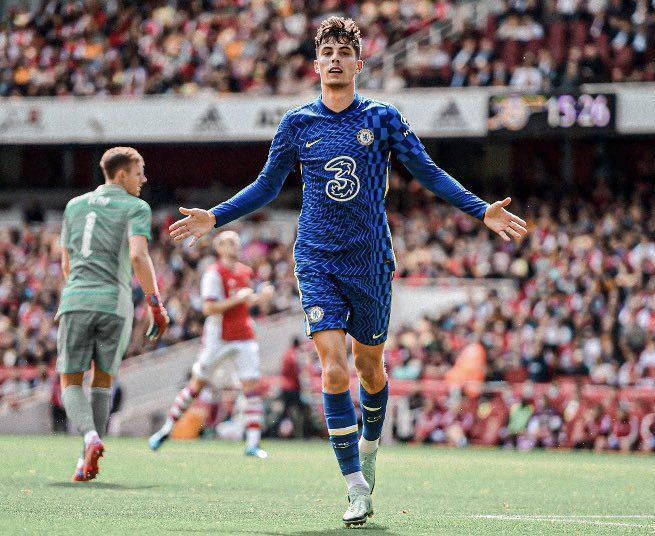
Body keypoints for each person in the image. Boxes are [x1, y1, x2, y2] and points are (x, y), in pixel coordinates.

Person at [167, 17, 527, 527]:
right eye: (327, 52)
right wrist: (216, 215)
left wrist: (480, 209)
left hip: (372, 260)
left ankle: (371, 444)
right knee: (333, 369)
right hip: (315, 258)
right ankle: (355, 486)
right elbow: (267, 187)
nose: (335, 59)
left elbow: (426, 172)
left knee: (370, 369)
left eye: (344, 52)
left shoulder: (382, 118)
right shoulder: (297, 124)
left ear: (359, 63)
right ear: (315, 65)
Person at [57, 146, 169, 482]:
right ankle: (87, 456)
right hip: (115, 304)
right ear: (121, 175)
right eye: (139, 172)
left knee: (71, 381)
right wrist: (155, 304)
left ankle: (89, 440)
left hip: (76, 298)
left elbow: (66, 264)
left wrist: (79, 293)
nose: (144, 179)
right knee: (103, 380)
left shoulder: (73, 206)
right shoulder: (136, 207)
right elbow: (138, 256)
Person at [149, 231, 274, 457]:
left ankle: (253, 443)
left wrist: (260, 298)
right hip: (219, 337)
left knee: (251, 387)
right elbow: (208, 309)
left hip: (244, 335)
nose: (234, 245)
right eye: (228, 242)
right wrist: (241, 298)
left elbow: (245, 302)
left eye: (236, 241)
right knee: (196, 386)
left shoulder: (245, 272)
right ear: (219, 248)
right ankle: (166, 429)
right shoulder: (214, 273)